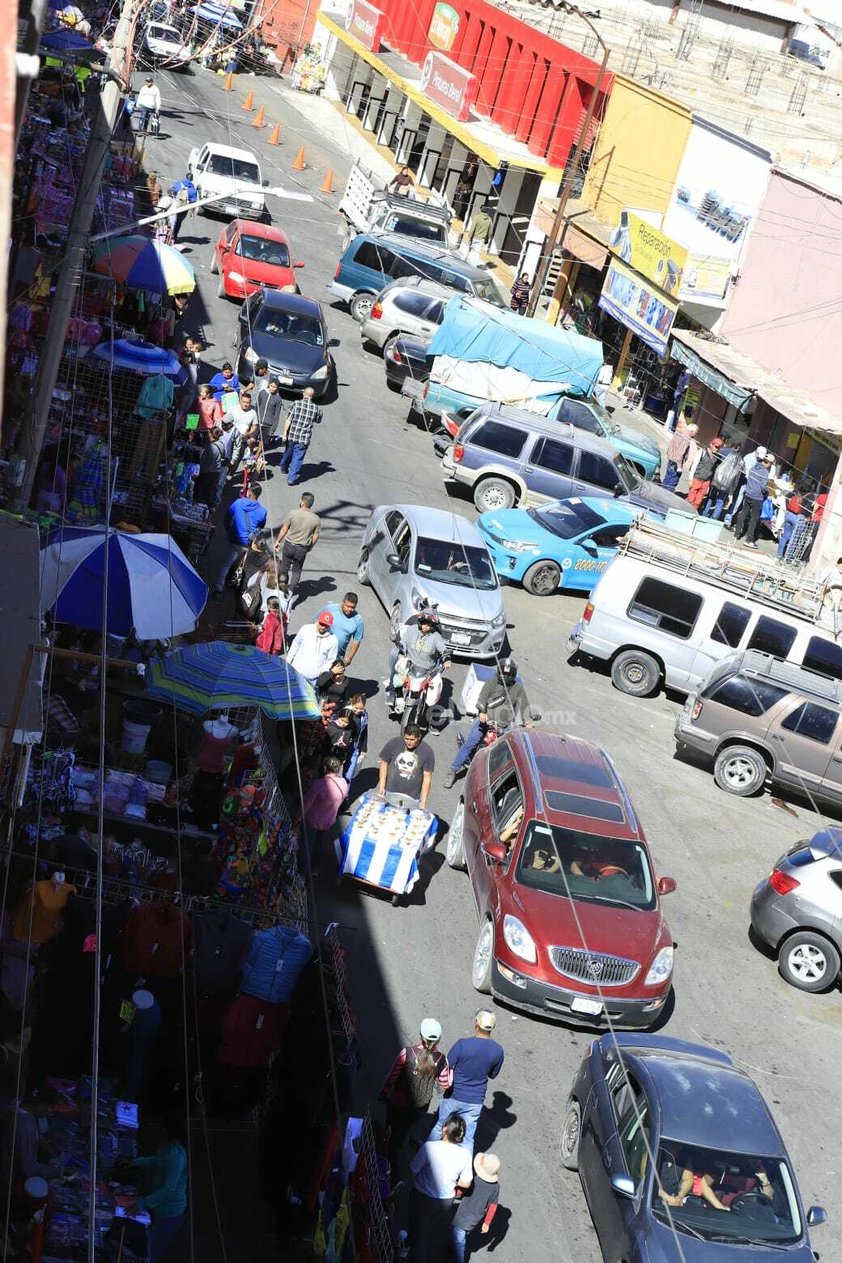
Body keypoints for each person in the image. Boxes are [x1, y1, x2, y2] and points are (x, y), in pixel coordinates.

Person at [444, 659, 531, 789]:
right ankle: (453, 771)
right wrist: (482, 712)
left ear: (514, 674)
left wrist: (528, 722)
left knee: (506, 753)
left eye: (509, 674)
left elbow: (524, 705)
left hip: (503, 726)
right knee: (471, 742)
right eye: (503, 673)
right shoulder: (491, 683)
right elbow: (482, 699)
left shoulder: (518, 688)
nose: (506, 676)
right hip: (486, 721)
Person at [381, 1018, 451, 1173]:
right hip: (420, 1106)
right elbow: (446, 1084)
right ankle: (396, 1144)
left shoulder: (407, 1053)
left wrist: (384, 1093)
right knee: (403, 1130)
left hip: (398, 1102)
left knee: (391, 1126)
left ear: (421, 1035)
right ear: (438, 1039)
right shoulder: (441, 1059)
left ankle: (391, 1164)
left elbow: (392, 1075)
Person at [431, 1010, 504, 1153]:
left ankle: (427, 1154)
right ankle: (466, 1171)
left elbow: (447, 1066)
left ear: (476, 1023)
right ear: (492, 1028)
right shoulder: (498, 1051)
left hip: (454, 1095)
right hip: (475, 1101)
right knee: (468, 1138)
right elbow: (493, 1074)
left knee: (440, 1126)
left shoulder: (462, 1045)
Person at [122, 1112, 188, 1262]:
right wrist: (136, 1162)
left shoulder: (177, 1156)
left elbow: (168, 1190)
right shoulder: (167, 1147)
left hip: (171, 1212)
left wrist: (141, 1205)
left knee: (154, 1246)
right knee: (153, 1241)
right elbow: (157, 1161)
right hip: (161, 1208)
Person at [409, 1113, 473, 1263]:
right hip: (445, 1201)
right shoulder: (464, 1154)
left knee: (419, 1239)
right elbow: (466, 1183)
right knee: (426, 1228)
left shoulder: (429, 1147)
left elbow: (413, 1169)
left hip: (422, 1196)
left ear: (445, 1129)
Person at [212, 483, 267, 596]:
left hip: (235, 538)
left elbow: (227, 517)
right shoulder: (262, 511)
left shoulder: (238, 503)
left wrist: (229, 530)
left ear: (249, 492)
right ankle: (237, 586)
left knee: (227, 563)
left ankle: (219, 588)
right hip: (249, 542)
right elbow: (261, 526)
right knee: (242, 564)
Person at [387, 610, 450, 706]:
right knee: (397, 673)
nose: (426, 626)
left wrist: (447, 659)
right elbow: (403, 643)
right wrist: (401, 655)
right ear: (419, 621)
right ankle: (393, 693)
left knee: (435, 686)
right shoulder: (411, 630)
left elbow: (443, 648)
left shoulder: (435, 636)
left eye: (429, 624)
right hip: (409, 664)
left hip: (426, 669)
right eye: (424, 623)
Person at [451, 1152, 501, 1262]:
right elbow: (493, 1206)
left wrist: (455, 1193)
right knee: (459, 1233)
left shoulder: (474, 1180)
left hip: (463, 1214)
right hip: (476, 1217)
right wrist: (486, 1222)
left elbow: (462, 1191)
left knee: (459, 1238)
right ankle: (453, 1247)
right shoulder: (496, 1187)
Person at [301, 755, 347, 871]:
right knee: (319, 845)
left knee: (307, 846)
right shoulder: (343, 783)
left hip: (313, 820)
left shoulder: (319, 784)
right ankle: (315, 868)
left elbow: (307, 804)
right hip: (328, 821)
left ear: (325, 768)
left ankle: (303, 870)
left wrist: (297, 817)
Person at [274, 492, 320, 600]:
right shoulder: (316, 519)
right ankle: (290, 591)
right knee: (297, 571)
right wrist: (310, 547)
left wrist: (278, 541)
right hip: (302, 549)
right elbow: (316, 535)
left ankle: (281, 588)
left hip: (289, 545)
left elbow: (284, 528)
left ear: (302, 502)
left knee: (284, 568)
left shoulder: (293, 513)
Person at [377, 724, 435, 809]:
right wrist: (381, 787)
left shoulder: (427, 752)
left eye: (412, 739)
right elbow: (384, 763)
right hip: (390, 793)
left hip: (412, 798)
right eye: (406, 739)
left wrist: (423, 801)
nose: (409, 742)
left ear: (419, 737)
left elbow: (427, 778)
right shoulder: (394, 743)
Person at [659, 1151, 730, 1212]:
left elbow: (692, 1181)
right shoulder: (686, 1157)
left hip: (689, 1200)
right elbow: (704, 1186)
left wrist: (679, 1197)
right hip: (686, 1198)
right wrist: (720, 1207)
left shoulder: (715, 1168)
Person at [280, 387, 323, 486]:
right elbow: (318, 420)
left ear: (304, 394)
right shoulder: (315, 408)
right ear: (312, 396)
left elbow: (289, 419)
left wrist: (285, 433)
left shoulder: (296, 403)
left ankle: (283, 466)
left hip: (292, 435)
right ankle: (291, 479)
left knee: (288, 453)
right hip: (304, 439)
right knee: (297, 458)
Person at [286, 610, 339, 685]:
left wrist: (321, 673)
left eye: (326, 625)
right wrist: (288, 662)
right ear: (318, 621)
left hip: (312, 679)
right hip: (295, 673)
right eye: (321, 624)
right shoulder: (305, 629)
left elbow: (331, 659)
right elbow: (295, 645)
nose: (323, 627)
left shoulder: (333, 640)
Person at [733, 452, 772, 548]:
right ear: (769, 463)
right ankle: (749, 539)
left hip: (748, 494)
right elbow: (763, 487)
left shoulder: (754, 467)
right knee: (753, 519)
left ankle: (736, 534)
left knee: (743, 513)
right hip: (757, 497)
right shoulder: (765, 472)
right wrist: (767, 492)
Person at [323, 592, 365, 666]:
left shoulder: (358, 620)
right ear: (342, 602)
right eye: (348, 606)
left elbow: (357, 640)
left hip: (337, 657)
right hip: (322, 649)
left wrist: (349, 658)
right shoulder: (331, 609)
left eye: (353, 607)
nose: (350, 609)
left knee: (330, 676)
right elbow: (316, 623)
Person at [686, 436, 724, 509]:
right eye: (716, 447)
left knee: (698, 502)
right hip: (697, 478)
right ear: (711, 444)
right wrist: (690, 479)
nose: (717, 449)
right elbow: (694, 465)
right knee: (690, 499)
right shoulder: (702, 452)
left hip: (706, 481)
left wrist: (709, 484)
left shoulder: (717, 456)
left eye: (719, 448)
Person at [227, 390, 258, 473]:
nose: (245, 404)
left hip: (242, 440)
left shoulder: (253, 412)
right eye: (243, 402)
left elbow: (255, 426)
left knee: (237, 460)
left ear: (250, 402)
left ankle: (231, 473)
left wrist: (248, 433)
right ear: (240, 400)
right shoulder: (233, 409)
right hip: (231, 438)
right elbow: (226, 421)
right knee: (228, 457)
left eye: (247, 402)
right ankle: (224, 475)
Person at [661, 423, 698, 492]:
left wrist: (669, 455)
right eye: (695, 433)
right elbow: (680, 454)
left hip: (671, 459)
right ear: (692, 431)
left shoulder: (677, 434)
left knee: (667, 478)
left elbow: (671, 445)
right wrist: (679, 467)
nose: (695, 435)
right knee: (672, 481)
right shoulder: (686, 440)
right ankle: (666, 496)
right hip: (676, 464)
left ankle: (661, 492)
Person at [778, 480, 809, 561]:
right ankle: (788, 557)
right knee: (794, 538)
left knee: (785, 536)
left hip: (789, 514)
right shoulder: (809, 496)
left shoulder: (795, 492)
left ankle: (779, 555)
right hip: (798, 517)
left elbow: (786, 496)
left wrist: (787, 507)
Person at [169, 171, 197, 243]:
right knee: (178, 222)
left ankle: (167, 233)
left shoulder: (178, 183)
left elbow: (170, 191)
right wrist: (192, 212)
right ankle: (174, 237)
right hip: (183, 208)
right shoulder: (192, 190)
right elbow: (193, 202)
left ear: (186, 177)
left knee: (170, 220)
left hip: (174, 205)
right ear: (192, 179)